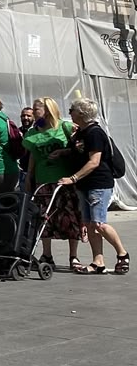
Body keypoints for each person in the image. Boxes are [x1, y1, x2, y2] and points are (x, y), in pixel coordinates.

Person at [57, 98, 129, 275]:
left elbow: (94, 161)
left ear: (81, 114)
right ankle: (98, 261)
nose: (69, 112)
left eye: (72, 109)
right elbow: (80, 151)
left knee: (99, 223)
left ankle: (123, 254)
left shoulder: (94, 133)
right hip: (85, 184)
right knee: (89, 224)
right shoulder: (81, 133)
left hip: (98, 183)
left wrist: (72, 178)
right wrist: (64, 151)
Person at [22, 97, 85, 270]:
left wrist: (63, 152)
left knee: (70, 217)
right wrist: (29, 177)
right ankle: (47, 254)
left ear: (48, 109)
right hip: (44, 180)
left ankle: (73, 256)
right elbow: (34, 155)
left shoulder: (64, 127)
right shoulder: (33, 132)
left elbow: (80, 146)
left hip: (65, 180)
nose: (34, 113)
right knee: (44, 219)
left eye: (37, 110)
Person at [19, 107, 35, 190]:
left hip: (36, 171)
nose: (25, 118)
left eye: (28, 116)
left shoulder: (37, 131)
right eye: (23, 116)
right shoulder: (17, 132)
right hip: (22, 172)